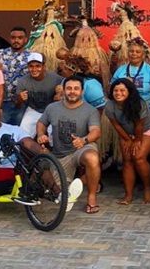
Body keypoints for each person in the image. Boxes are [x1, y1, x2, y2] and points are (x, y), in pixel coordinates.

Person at [0, 100, 82, 224]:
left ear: (0, 112)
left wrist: (41, 151)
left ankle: (60, 195)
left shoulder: (14, 129)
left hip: (14, 171)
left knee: (38, 157)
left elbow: (28, 143)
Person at [37, 75, 102, 214]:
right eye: (69, 88)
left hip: (81, 148)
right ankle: (74, 185)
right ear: (64, 90)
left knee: (92, 158)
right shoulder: (52, 108)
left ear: (82, 92)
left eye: (76, 89)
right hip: (60, 154)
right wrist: (41, 134)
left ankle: (91, 198)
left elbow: (96, 131)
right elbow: (41, 123)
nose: (72, 91)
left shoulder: (90, 110)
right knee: (60, 192)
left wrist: (84, 140)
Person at [105, 79, 150, 204]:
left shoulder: (139, 104)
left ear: (129, 92)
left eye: (122, 90)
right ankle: (128, 195)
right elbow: (117, 125)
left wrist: (136, 141)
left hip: (147, 129)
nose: (118, 93)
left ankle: (148, 187)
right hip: (126, 132)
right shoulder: (109, 106)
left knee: (138, 157)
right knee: (127, 159)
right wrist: (128, 139)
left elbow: (139, 125)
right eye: (115, 90)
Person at [0, 26, 31, 125]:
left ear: (25, 39)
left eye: (20, 38)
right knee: (0, 129)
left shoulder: (31, 56)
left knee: (18, 131)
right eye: (13, 38)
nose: (16, 40)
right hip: (2, 101)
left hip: (22, 102)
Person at [15, 52, 63, 136]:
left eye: (37, 66)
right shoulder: (23, 81)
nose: (34, 69)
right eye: (31, 66)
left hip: (52, 111)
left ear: (44, 67)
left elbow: (67, 91)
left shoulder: (56, 78)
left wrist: (61, 96)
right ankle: (26, 149)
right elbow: (17, 105)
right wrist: (20, 99)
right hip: (34, 109)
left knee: (55, 134)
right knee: (23, 133)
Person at [111, 38, 150, 114]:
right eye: (131, 51)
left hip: (147, 112)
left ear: (143, 54)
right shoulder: (120, 70)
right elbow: (112, 89)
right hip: (124, 111)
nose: (134, 54)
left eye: (138, 52)